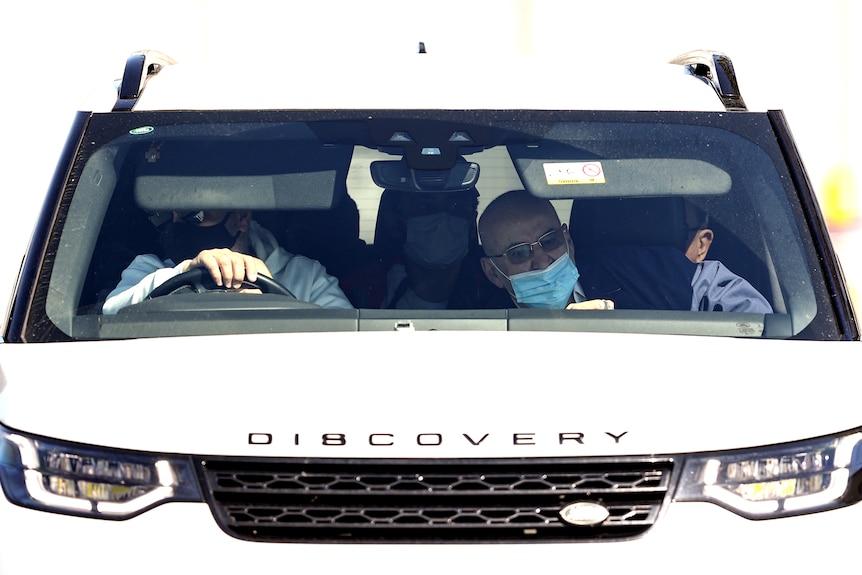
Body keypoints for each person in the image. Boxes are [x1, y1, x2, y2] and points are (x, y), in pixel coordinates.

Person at [478, 190, 772, 313]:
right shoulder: (463, 317)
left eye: (550, 240)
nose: (541, 261)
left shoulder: (646, 274)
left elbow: (749, 312)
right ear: (492, 272)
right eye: (519, 253)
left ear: (567, 238)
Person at [102, 209, 353, 313]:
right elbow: (108, 316)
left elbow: (350, 343)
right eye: (174, 216)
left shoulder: (305, 276)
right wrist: (185, 272)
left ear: (241, 218)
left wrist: (273, 298)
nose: (179, 227)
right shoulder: (151, 268)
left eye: (197, 216)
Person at [341, 189, 493, 309]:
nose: (442, 219)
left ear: (472, 224)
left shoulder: (499, 283)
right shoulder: (357, 291)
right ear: (394, 223)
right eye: (424, 206)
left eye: (455, 205)